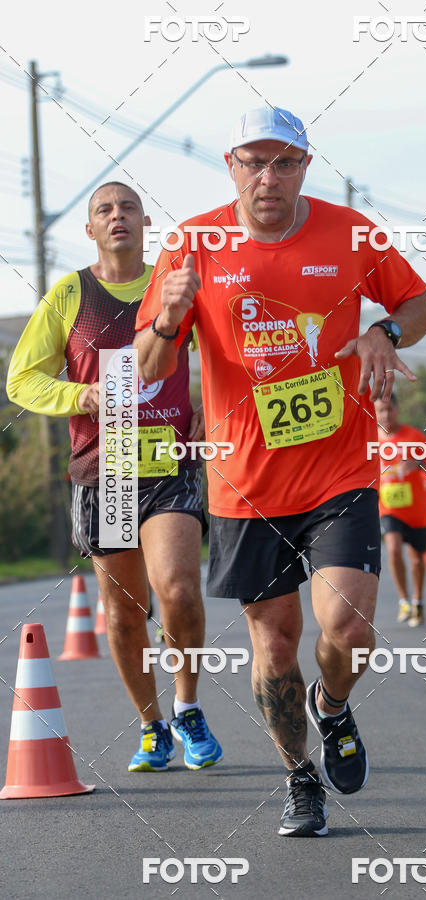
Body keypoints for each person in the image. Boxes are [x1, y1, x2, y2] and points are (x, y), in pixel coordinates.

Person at [133, 106, 426, 836]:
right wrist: (170, 321)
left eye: (285, 162)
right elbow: (148, 369)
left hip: (341, 469)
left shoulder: (351, 232)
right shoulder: (194, 243)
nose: (268, 177)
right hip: (246, 484)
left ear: (307, 164)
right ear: (230, 163)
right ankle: (300, 781)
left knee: (349, 625)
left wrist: (382, 329)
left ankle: (331, 708)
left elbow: (419, 304)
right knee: (273, 642)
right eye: (254, 161)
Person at [6, 182, 222, 773]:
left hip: (168, 465)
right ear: (91, 228)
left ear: (146, 221)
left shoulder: (172, 284)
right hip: (105, 471)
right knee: (126, 611)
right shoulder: (70, 293)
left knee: (178, 588)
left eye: (127, 207)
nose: (117, 216)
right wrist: (84, 393)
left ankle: (188, 706)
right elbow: (21, 380)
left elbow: (225, 355)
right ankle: (151, 726)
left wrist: (210, 408)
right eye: (105, 209)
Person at [374, 394, 426, 626]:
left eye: (389, 409)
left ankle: (418, 602)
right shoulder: (371, 440)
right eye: (380, 410)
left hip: (416, 509)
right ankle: (403, 600)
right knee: (392, 549)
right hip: (388, 507)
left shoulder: (414, 437)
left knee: (416, 559)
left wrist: (419, 463)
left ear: (397, 409)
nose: (385, 415)